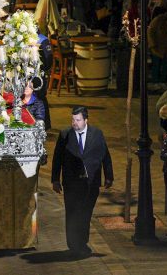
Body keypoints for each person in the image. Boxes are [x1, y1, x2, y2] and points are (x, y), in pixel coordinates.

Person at [51, 106, 113, 257]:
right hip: (72, 182)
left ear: (86, 120)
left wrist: (109, 176)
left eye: (78, 120)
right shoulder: (65, 134)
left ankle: (82, 242)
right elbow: (57, 157)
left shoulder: (97, 134)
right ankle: (73, 244)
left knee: (85, 213)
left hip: (90, 183)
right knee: (72, 213)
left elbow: (105, 155)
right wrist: (55, 179)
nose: (75, 123)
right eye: (73, 120)